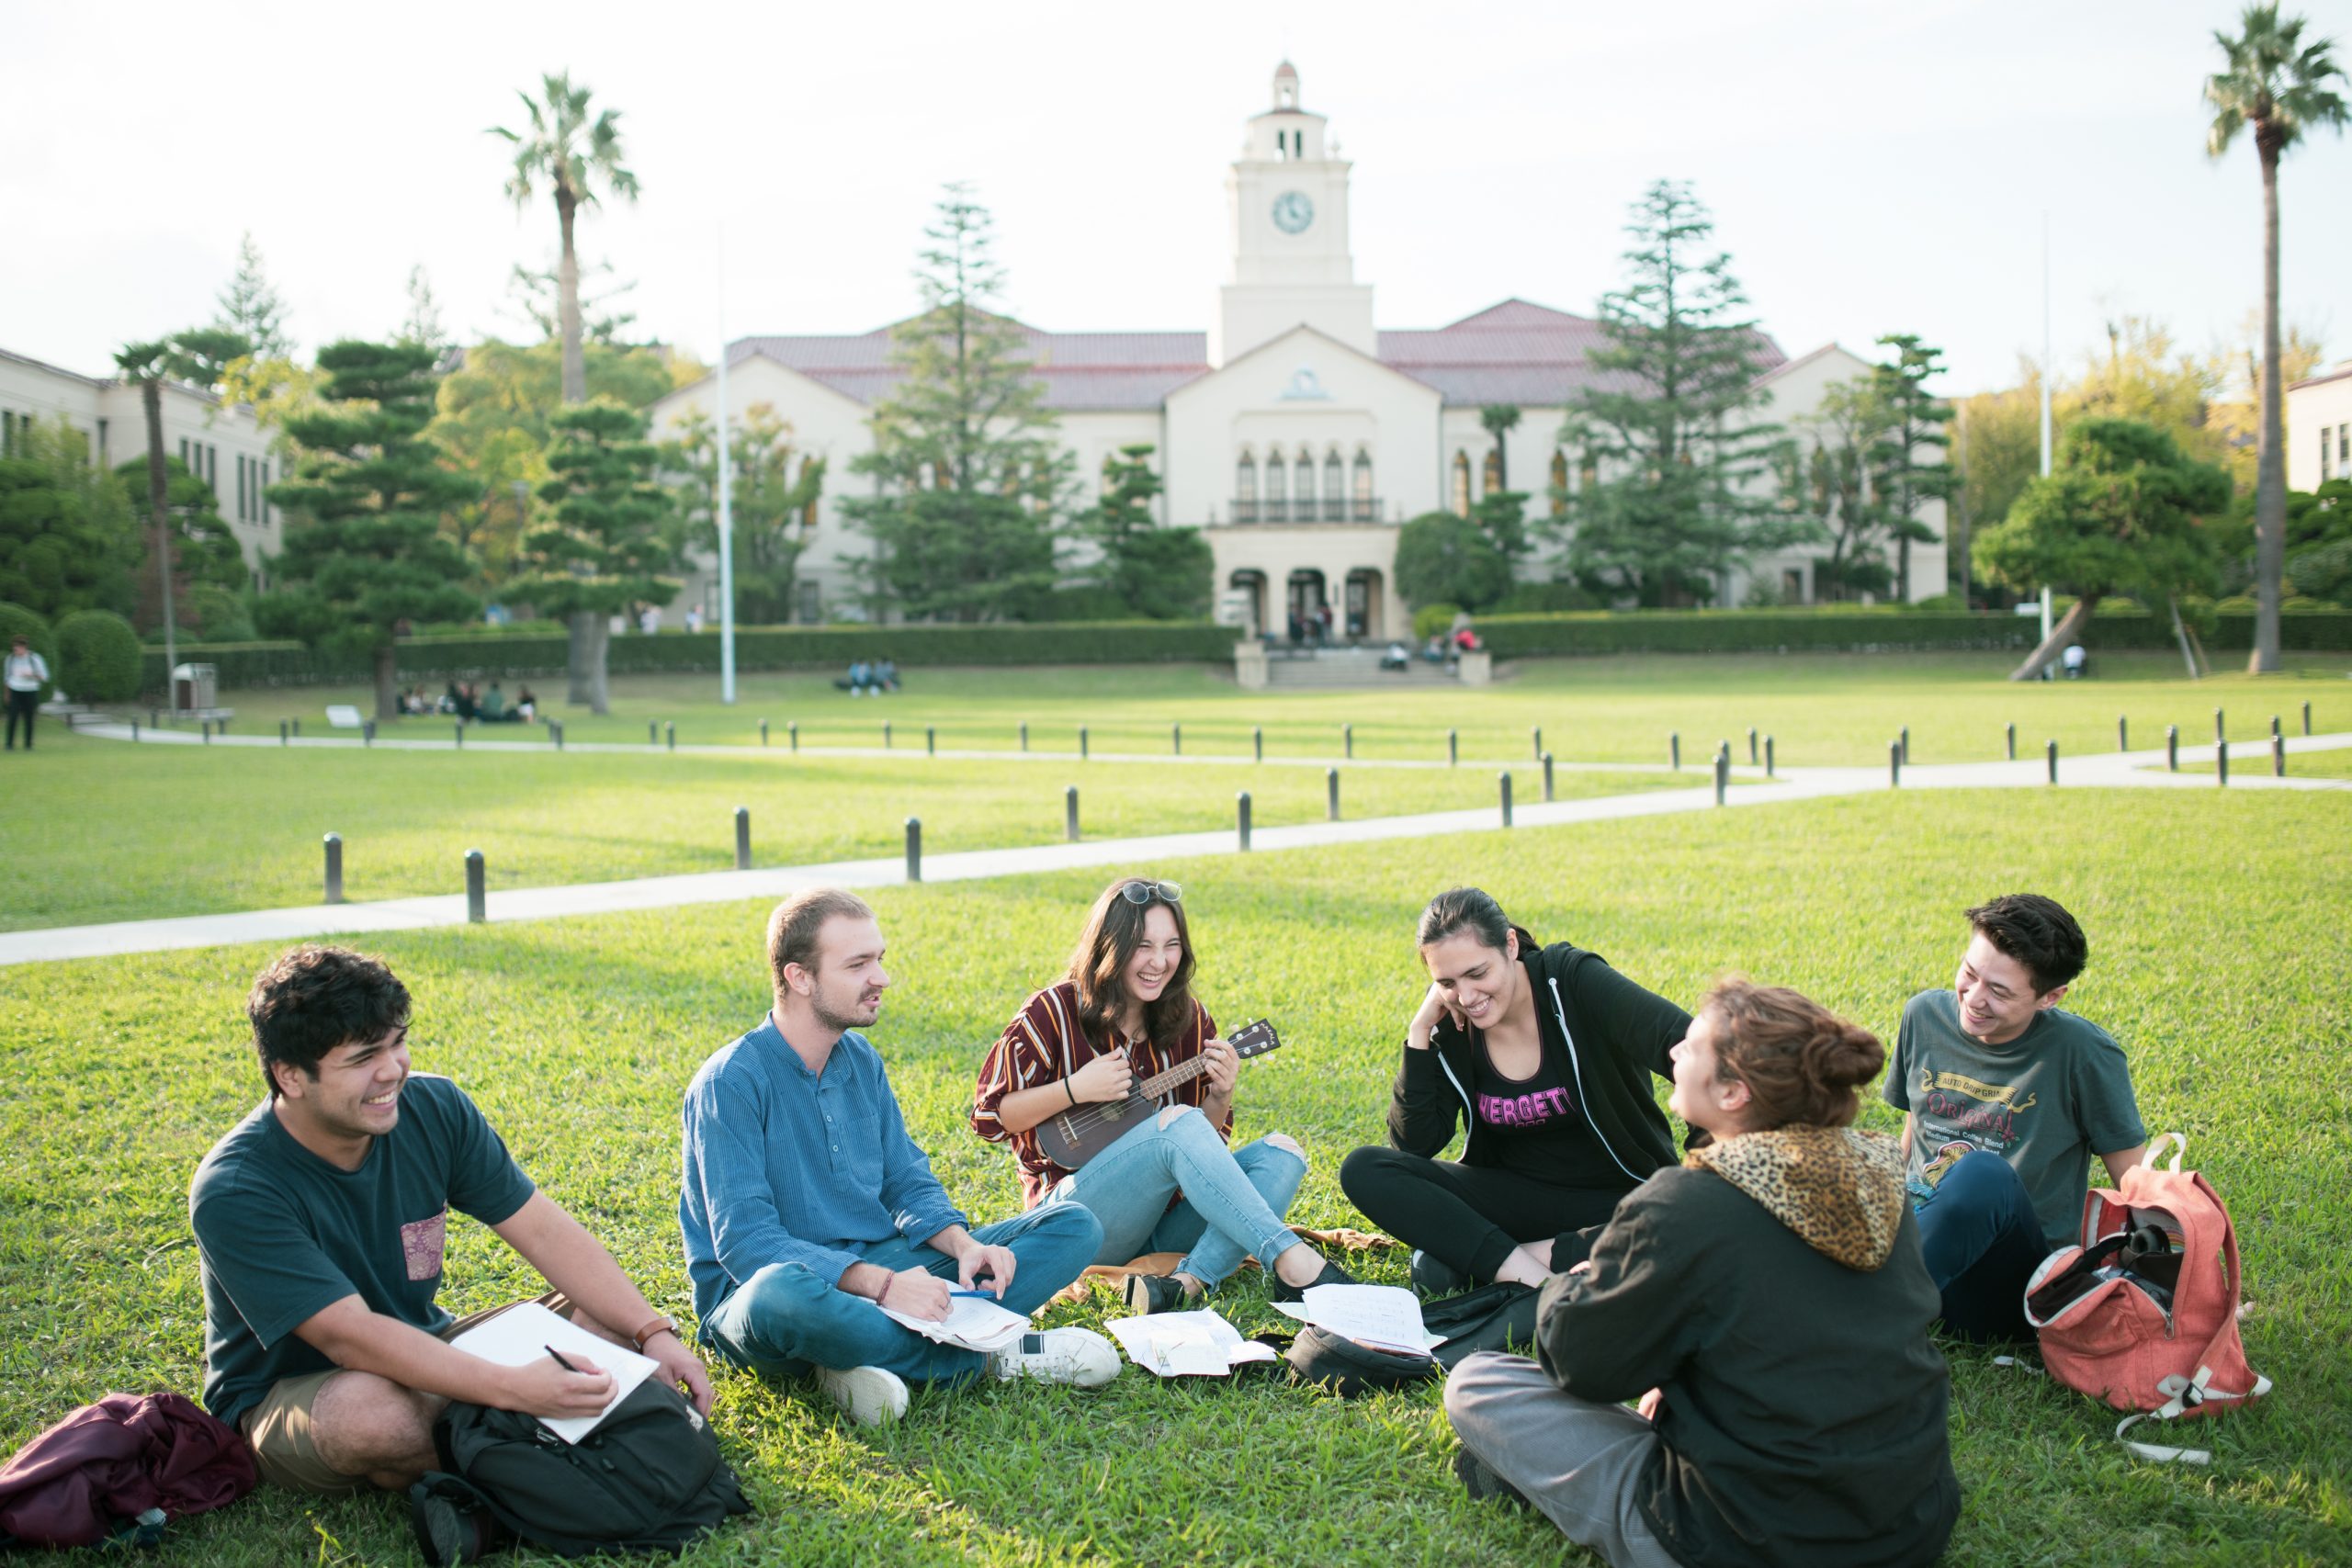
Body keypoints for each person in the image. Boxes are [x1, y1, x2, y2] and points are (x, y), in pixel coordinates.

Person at [1447, 980, 1961, 1568]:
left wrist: (1576, 1285)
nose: (1674, 1054)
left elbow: (1579, 1362)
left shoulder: (1688, 1204)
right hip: (1911, 1526)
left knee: (1478, 1383)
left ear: (1734, 1092)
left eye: (1690, 1047)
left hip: (1743, 1543)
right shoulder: (1875, 1175)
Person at [187, 945, 712, 1503]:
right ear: (290, 1076)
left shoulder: (433, 1107)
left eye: (397, 1042)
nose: (392, 1070)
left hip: (427, 1345)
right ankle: (538, 1464)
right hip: (297, 1390)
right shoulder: (236, 1187)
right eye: (363, 1058)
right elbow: (348, 1337)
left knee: (610, 1328)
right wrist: (515, 1388)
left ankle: (504, 1455)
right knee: (379, 1421)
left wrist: (651, 1332)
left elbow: (544, 1232)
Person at [680, 888, 1118, 1428]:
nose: (881, 978)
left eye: (879, 959)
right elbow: (748, 1246)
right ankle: (987, 1355)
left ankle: (854, 1356)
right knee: (779, 1294)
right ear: (799, 978)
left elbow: (905, 1181)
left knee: (1073, 1225)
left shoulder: (860, 1060)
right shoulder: (729, 1083)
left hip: (879, 1260)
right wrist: (885, 1287)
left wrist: (964, 1246)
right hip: (765, 1294)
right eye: (858, 964)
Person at [972, 877, 1351, 1316]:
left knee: (1282, 1153)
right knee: (1178, 1122)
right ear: (1110, 947)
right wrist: (1075, 1088)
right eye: (1143, 947)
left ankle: (1186, 1282)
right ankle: (1294, 1261)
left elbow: (1200, 1152)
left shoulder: (1189, 1020)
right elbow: (991, 1117)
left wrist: (1220, 1095)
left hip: (1163, 1222)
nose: (1160, 961)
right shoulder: (1052, 1011)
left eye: (1172, 946)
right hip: (1077, 1220)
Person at [1340, 888, 1689, 1293]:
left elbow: (1688, 1044)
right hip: (1515, 1200)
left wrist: (1708, 1163)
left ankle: (1495, 1262)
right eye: (1447, 982)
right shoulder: (1454, 1023)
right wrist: (1420, 1034)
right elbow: (1415, 1146)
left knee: (1675, 1222)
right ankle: (1540, 1278)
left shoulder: (1572, 981)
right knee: (1365, 1168)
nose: (1467, 997)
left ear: (1509, 945)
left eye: (1477, 974)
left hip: (1616, 1199)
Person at [1885, 894, 2145, 1341]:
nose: (1974, 998)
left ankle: (1857, 1314)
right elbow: (1915, 1129)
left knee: (1983, 1174)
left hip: (2009, 1288)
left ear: (2050, 997)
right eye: (1970, 973)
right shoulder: (1923, 1016)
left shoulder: (2083, 1053)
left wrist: (2185, 1289)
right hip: (1921, 1242)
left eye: (1999, 991)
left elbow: (2138, 1186)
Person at [6, 635, 48, 750]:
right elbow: (7, 677)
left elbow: (44, 676)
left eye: (18, 648)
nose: (16, 650)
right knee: (13, 717)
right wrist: (7, 694)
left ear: (24, 647)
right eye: (14, 648)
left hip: (30, 690)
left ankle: (28, 744)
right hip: (15, 689)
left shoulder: (34, 658)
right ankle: (9, 744)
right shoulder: (11, 659)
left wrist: (32, 675)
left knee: (29, 718)